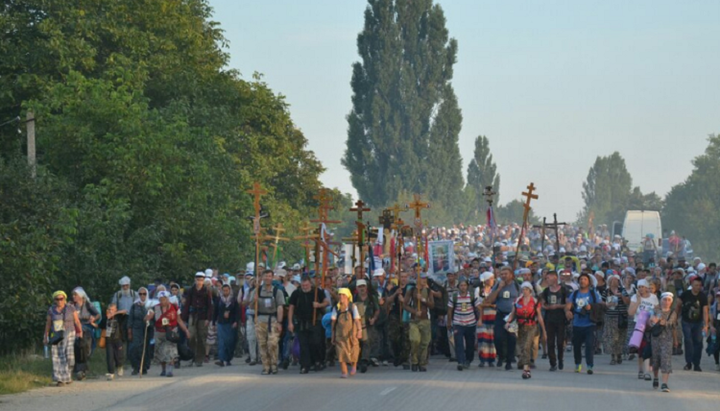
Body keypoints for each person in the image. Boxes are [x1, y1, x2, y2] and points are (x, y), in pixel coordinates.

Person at [288, 275, 329, 373]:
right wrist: (290, 323)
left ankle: (318, 361)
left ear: (310, 283)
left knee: (316, 342)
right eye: (303, 285)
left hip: (315, 322)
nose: (304, 287)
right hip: (301, 322)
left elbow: (326, 302)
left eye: (306, 285)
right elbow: (291, 308)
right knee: (303, 344)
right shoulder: (296, 293)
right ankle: (305, 365)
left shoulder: (317, 292)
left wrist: (319, 305)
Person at [248, 269, 285, 375]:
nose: (267, 278)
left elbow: (280, 307)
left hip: (272, 320)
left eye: (269, 276)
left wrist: (279, 322)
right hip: (260, 320)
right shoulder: (257, 290)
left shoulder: (277, 291)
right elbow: (250, 306)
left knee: (272, 343)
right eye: (266, 276)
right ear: (262, 277)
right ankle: (266, 366)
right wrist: (254, 300)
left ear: (272, 277)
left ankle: (274, 364)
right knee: (262, 344)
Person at [566, 272, 602, 374]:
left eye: (585, 279)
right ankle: (578, 364)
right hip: (577, 324)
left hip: (590, 324)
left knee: (589, 345)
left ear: (589, 282)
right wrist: (567, 311)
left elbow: (599, 305)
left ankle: (589, 365)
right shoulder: (575, 294)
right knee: (576, 346)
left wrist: (591, 307)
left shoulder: (593, 294)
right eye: (581, 279)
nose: (582, 281)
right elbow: (568, 305)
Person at [508, 281, 546, 379]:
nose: (524, 291)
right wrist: (508, 322)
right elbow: (513, 313)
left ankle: (526, 370)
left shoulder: (534, 301)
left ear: (530, 290)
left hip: (531, 326)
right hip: (520, 326)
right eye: (523, 289)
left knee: (527, 346)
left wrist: (544, 330)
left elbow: (539, 316)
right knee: (520, 347)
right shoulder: (518, 300)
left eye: (526, 289)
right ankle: (523, 362)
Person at [44, 290, 82, 386]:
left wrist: (80, 331)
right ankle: (59, 379)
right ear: (55, 300)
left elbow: (77, 321)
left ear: (64, 299)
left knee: (69, 357)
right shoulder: (51, 310)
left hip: (69, 333)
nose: (60, 301)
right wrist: (46, 336)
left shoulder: (70, 308)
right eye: (57, 299)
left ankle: (68, 376)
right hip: (56, 335)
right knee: (57, 356)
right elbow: (48, 324)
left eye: (61, 299)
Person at [485, 266, 520, 370]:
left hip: (512, 316)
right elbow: (489, 300)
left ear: (511, 275)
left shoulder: (517, 286)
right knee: (498, 337)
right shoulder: (497, 285)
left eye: (506, 274)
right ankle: (501, 355)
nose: (504, 276)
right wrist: (499, 288)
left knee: (512, 339)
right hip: (500, 315)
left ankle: (509, 361)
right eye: (502, 274)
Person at [447, 276, 482, 370]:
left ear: (467, 286)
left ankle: (468, 360)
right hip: (458, 323)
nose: (463, 287)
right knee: (458, 343)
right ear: (458, 286)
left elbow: (479, 308)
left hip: (470, 323)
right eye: (461, 285)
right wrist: (449, 322)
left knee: (470, 344)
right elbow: (450, 310)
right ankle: (460, 362)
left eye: (464, 285)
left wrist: (480, 319)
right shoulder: (454, 296)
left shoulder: (472, 296)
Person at [154, 291, 190, 377]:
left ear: (168, 299)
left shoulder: (174, 307)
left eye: (164, 299)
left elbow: (179, 320)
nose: (163, 301)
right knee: (161, 351)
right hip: (160, 332)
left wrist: (186, 330)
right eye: (161, 299)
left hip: (172, 331)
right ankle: (163, 369)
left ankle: (170, 369)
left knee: (172, 351)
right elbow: (151, 318)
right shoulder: (155, 308)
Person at [404, 272, 435, 372]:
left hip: (425, 319)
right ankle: (414, 360)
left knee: (425, 342)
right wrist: (414, 311)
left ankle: (422, 362)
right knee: (415, 340)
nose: (424, 280)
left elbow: (432, 305)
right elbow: (405, 304)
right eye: (421, 278)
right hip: (414, 320)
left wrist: (422, 299)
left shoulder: (428, 291)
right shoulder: (411, 290)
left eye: (425, 278)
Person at [628, 279, 659, 380]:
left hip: (649, 326)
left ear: (646, 288)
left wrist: (653, 316)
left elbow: (658, 311)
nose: (641, 289)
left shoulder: (653, 297)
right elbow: (630, 313)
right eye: (639, 287)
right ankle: (641, 369)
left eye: (642, 287)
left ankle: (646, 372)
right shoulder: (635, 297)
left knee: (647, 348)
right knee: (640, 349)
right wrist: (638, 301)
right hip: (638, 326)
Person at [182, 271, 214, 367]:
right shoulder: (191, 290)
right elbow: (187, 304)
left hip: (203, 316)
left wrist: (208, 318)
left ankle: (199, 358)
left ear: (203, 280)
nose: (199, 281)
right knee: (191, 336)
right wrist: (184, 317)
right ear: (195, 280)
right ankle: (192, 356)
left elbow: (210, 306)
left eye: (201, 280)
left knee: (201, 337)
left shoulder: (207, 291)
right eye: (197, 279)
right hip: (193, 314)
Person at [679, 276, 709, 371]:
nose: (698, 287)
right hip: (686, 321)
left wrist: (706, 325)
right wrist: (675, 317)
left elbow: (705, 311)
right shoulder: (685, 294)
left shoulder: (702, 296)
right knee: (688, 341)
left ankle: (696, 363)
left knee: (698, 343)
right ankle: (688, 363)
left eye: (699, 285)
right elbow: (678, 305)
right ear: (691, 285)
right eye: (696, 285)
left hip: (698, 322)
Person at [649, 292, 677, 392]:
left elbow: (671, 323)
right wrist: (653, 320)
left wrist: (662, 322)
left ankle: (664, 383)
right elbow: (650, 321)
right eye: (665, 300)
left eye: (669, 300)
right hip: (656, 338)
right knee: (655, 360)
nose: (666, 302)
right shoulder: (655, 310)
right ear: (661, 301)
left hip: (667, 340)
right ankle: (656, 377)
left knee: (666, 360)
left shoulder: (673, 312)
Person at [540, 270, 568, 371]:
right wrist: (547, 307)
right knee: (550, 342)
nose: (546, 279)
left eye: (548, 278)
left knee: (560, 341)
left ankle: (560, 359)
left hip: (560, 319)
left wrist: (558, 306)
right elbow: (543, 303)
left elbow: (568, 304)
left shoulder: (563, 290)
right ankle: (553, 362)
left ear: (555, 278)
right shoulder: (546, 291)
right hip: (549, 319)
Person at [332, 288, 362, 378]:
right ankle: (344, 371)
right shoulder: (336, 308)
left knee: (354, 350)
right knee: (340, 351)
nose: (341, 297)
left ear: (348, 296)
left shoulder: (352, 307)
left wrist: (359, 330)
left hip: (351, 333)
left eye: (343, 295)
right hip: (340, 334)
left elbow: (357, 320)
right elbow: (333, 322)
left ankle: (354, 365)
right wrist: (332, 335)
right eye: (340, 295)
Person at [71, 287, 99, 380]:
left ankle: (81, 369)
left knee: (85, 348)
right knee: (76, 347)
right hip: (75, 328)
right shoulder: (72, 305)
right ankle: (79, 369)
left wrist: (93, 319)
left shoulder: (87, 304)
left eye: (76, 295)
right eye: (73, 295)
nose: (74, 296)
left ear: (81, 295)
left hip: (87, 326)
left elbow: (97, 314)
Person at [602, 275, 630, 365]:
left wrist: (621, 296)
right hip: (610, 317)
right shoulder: (606, 291)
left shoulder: (622, 290)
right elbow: (602, 302)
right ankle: (613, 355)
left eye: (616, 280)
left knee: (621, 337)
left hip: (621, 316)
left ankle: (619, 353)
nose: (614, 282)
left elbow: (627, 302)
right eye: (612, 280)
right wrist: (607, 304)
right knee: (612, 337)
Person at [355, 279, 380, 373]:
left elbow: (377, 310)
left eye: (363, 286)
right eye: (360, 287)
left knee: (367, 341)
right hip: (356, 324)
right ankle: (357, 360)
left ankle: (364, 360)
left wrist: (374, 318)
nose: (362, 289)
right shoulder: (354, 298)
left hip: (368, 323)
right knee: (357, 342)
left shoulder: (371, 298)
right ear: (357, 288)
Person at [128, 287, 154, 375]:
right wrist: (129, 330)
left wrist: (143, 308)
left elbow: (148, 317)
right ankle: (136, 366)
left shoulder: (151, 304)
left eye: (144, 294)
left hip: (147, 329)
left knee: (145, 348)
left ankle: (144, 367)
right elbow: (130, 318)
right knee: (135, 348)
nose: (142, 296)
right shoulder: (134, 305)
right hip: (136, 329)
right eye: (140, 294)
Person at [213, 284, 238, 367]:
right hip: (221, 323)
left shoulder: (233, 300)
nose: (225, 292)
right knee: (221, 342)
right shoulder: (219, 300)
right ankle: (221, 359)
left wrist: (236, 321)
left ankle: (228, 359)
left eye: (227, 290)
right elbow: (215, 311)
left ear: (229, 290)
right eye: (224, 290)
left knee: (230, 342)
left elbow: (237, 312)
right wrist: (213, 322)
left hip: (230, 323)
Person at [476, 271, 497, 367]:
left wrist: (486, 304)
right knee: (482, 339)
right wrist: (489, 305)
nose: (493, 280)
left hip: (493, 316)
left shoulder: (494, 290)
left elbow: (497, 304)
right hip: (482, 317)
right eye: (491, 279)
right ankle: (482, 359)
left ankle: (491, 359)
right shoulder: (479, 290)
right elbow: (478, 305)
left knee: (492, 339)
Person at [102, 303, 126, 380]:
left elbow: (125, 311)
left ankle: (119, 366)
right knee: (110, 356)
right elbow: (100, 325)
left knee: (119, 355)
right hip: (109, 340)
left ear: (115, 309)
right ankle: (111, 372)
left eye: (112, 309)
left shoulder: (119, 317)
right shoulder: (106, 318)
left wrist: (114, 313)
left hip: (118, 339)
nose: (110, 311)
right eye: (109, 309)